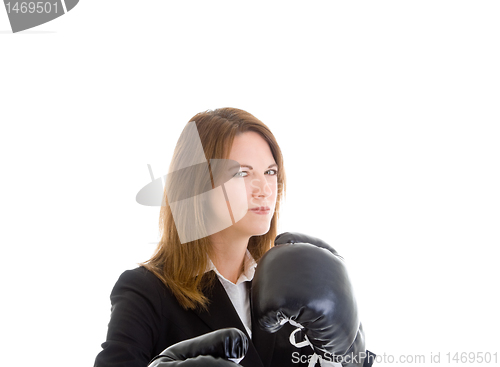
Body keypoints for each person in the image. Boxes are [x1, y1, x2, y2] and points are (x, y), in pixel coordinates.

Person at [94, 108, 371, 367]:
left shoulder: (291, 285)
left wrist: (348, 357)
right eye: (242, 173)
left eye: (270, 172)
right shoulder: (146, 291)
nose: (263, 189)